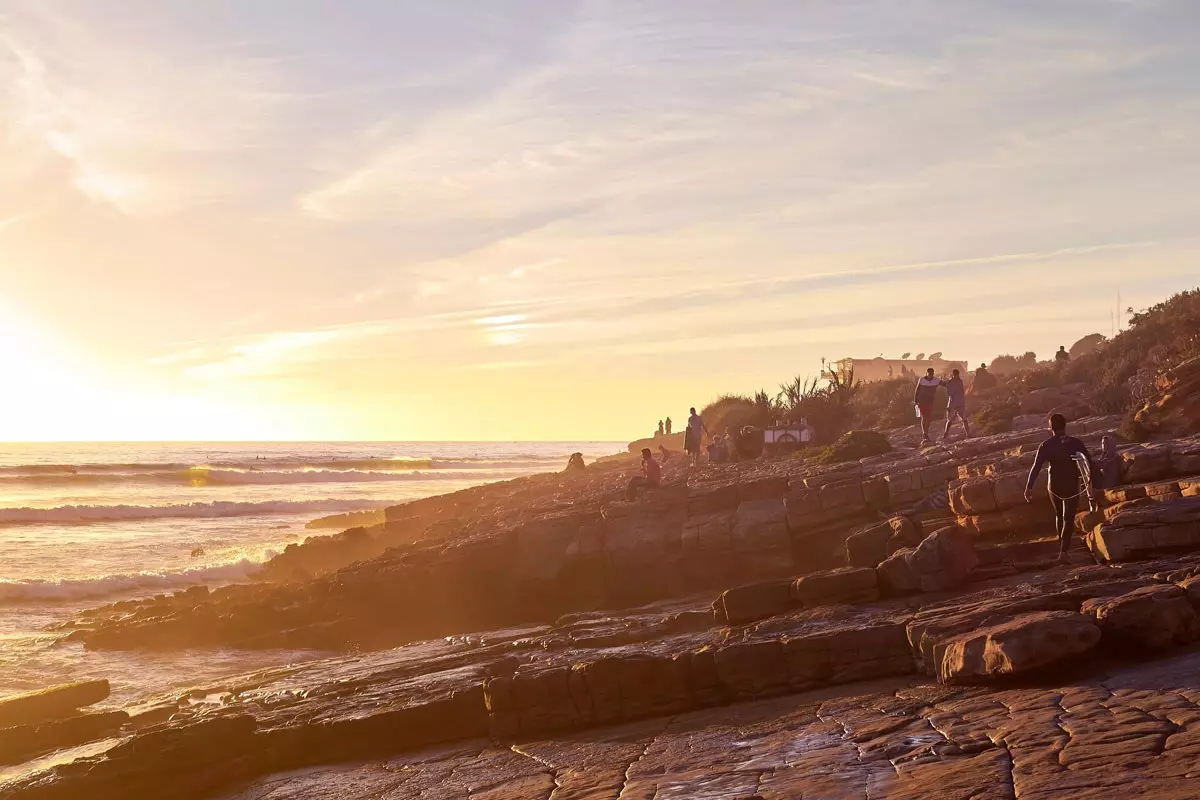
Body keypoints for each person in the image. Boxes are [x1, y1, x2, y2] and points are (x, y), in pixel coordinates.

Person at [1024, 413, 1095, 563]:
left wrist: (1029, 487)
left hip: (1054, 484)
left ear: (1050, 428)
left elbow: (1036, 467)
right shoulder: (1076, 443)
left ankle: (1061, 546)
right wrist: (1093, 486)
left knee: (1059, 515)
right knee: (1068, 518)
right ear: (1065, 425)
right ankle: (1064, 551)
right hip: (1070, 483)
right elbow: (1088, 463)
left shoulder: (1046, 445)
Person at [913, 368, 943, 445]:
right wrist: (916, 400)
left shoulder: (936, 380)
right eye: (929, 374)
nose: (930, 376)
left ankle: (926, 433)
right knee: (924, 416)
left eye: (932, 374)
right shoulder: (922, 379)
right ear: (927, 373)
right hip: (922, 401)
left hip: (930, 401)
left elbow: (945, 384)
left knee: (928, 418)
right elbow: (917, 390)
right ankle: (925, 434)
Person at [942, 368, 971, 441]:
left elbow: (960, 392)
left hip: (960, 403)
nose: (956, 376)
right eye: (955, 375)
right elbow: (950, 393)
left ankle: (968, 434)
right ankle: (945, 434)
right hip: (953, 404)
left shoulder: (959, 381)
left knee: (964, 419)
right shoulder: (951, 382)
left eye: (957, 375)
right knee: (950, 420)